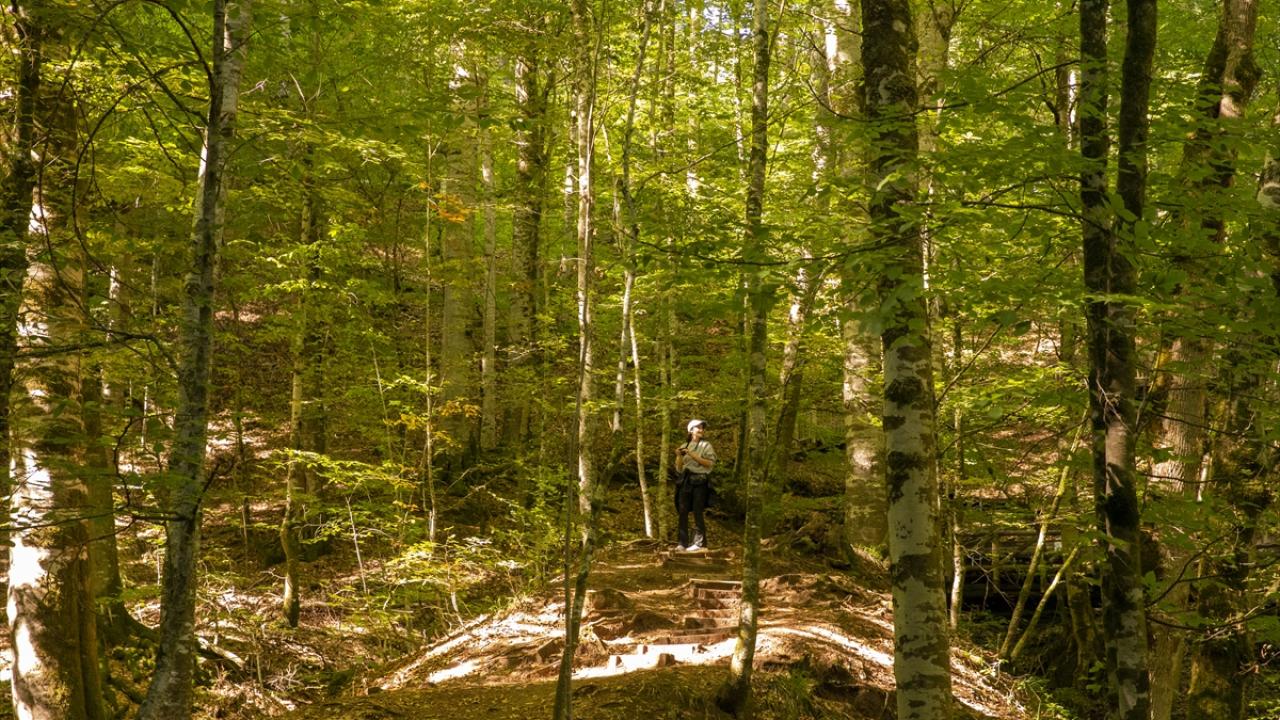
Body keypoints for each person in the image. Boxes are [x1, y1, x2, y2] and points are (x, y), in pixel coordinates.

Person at [675, 419, 716, 551]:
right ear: (691, 430)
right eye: (698, 427)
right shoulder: (684, 445)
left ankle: (699, 544)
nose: (701, 430)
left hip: (700, 481)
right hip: (685, 481)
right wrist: (678, 456)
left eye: (703, 428)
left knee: (698, 511)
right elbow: (679, 469)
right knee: (682, 511)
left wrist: (692, 454)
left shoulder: (706, 445)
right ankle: (682, 543)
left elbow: (709, 463)